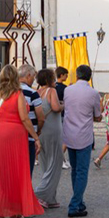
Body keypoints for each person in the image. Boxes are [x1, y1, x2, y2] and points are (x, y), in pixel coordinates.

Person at [0, 65, 42, 218]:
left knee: (4, 173)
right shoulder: (18, 94)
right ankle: (0, 213)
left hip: (0, 134)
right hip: (16, 135)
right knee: (18, 172)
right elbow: (25, 118)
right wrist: (35, 137)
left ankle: (10, 211)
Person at [60, 64, 100, 218]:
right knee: (82, 171)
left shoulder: (68, 90)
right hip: (84, 135)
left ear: (76, 75)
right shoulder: (93, 93)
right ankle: (75, 204)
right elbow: (97, 115)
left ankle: (79, 200)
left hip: (70, 134)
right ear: (89, 77)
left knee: (75, 170)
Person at [33, 67, 66, 208]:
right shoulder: (51, 91)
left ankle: (50, 199)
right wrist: (63, 105)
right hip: (53, 130)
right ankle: (38, 194)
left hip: (41, 131)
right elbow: (56, 107)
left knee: (46, 164)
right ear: (49, 79)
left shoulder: (37, 92)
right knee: (55, 163)